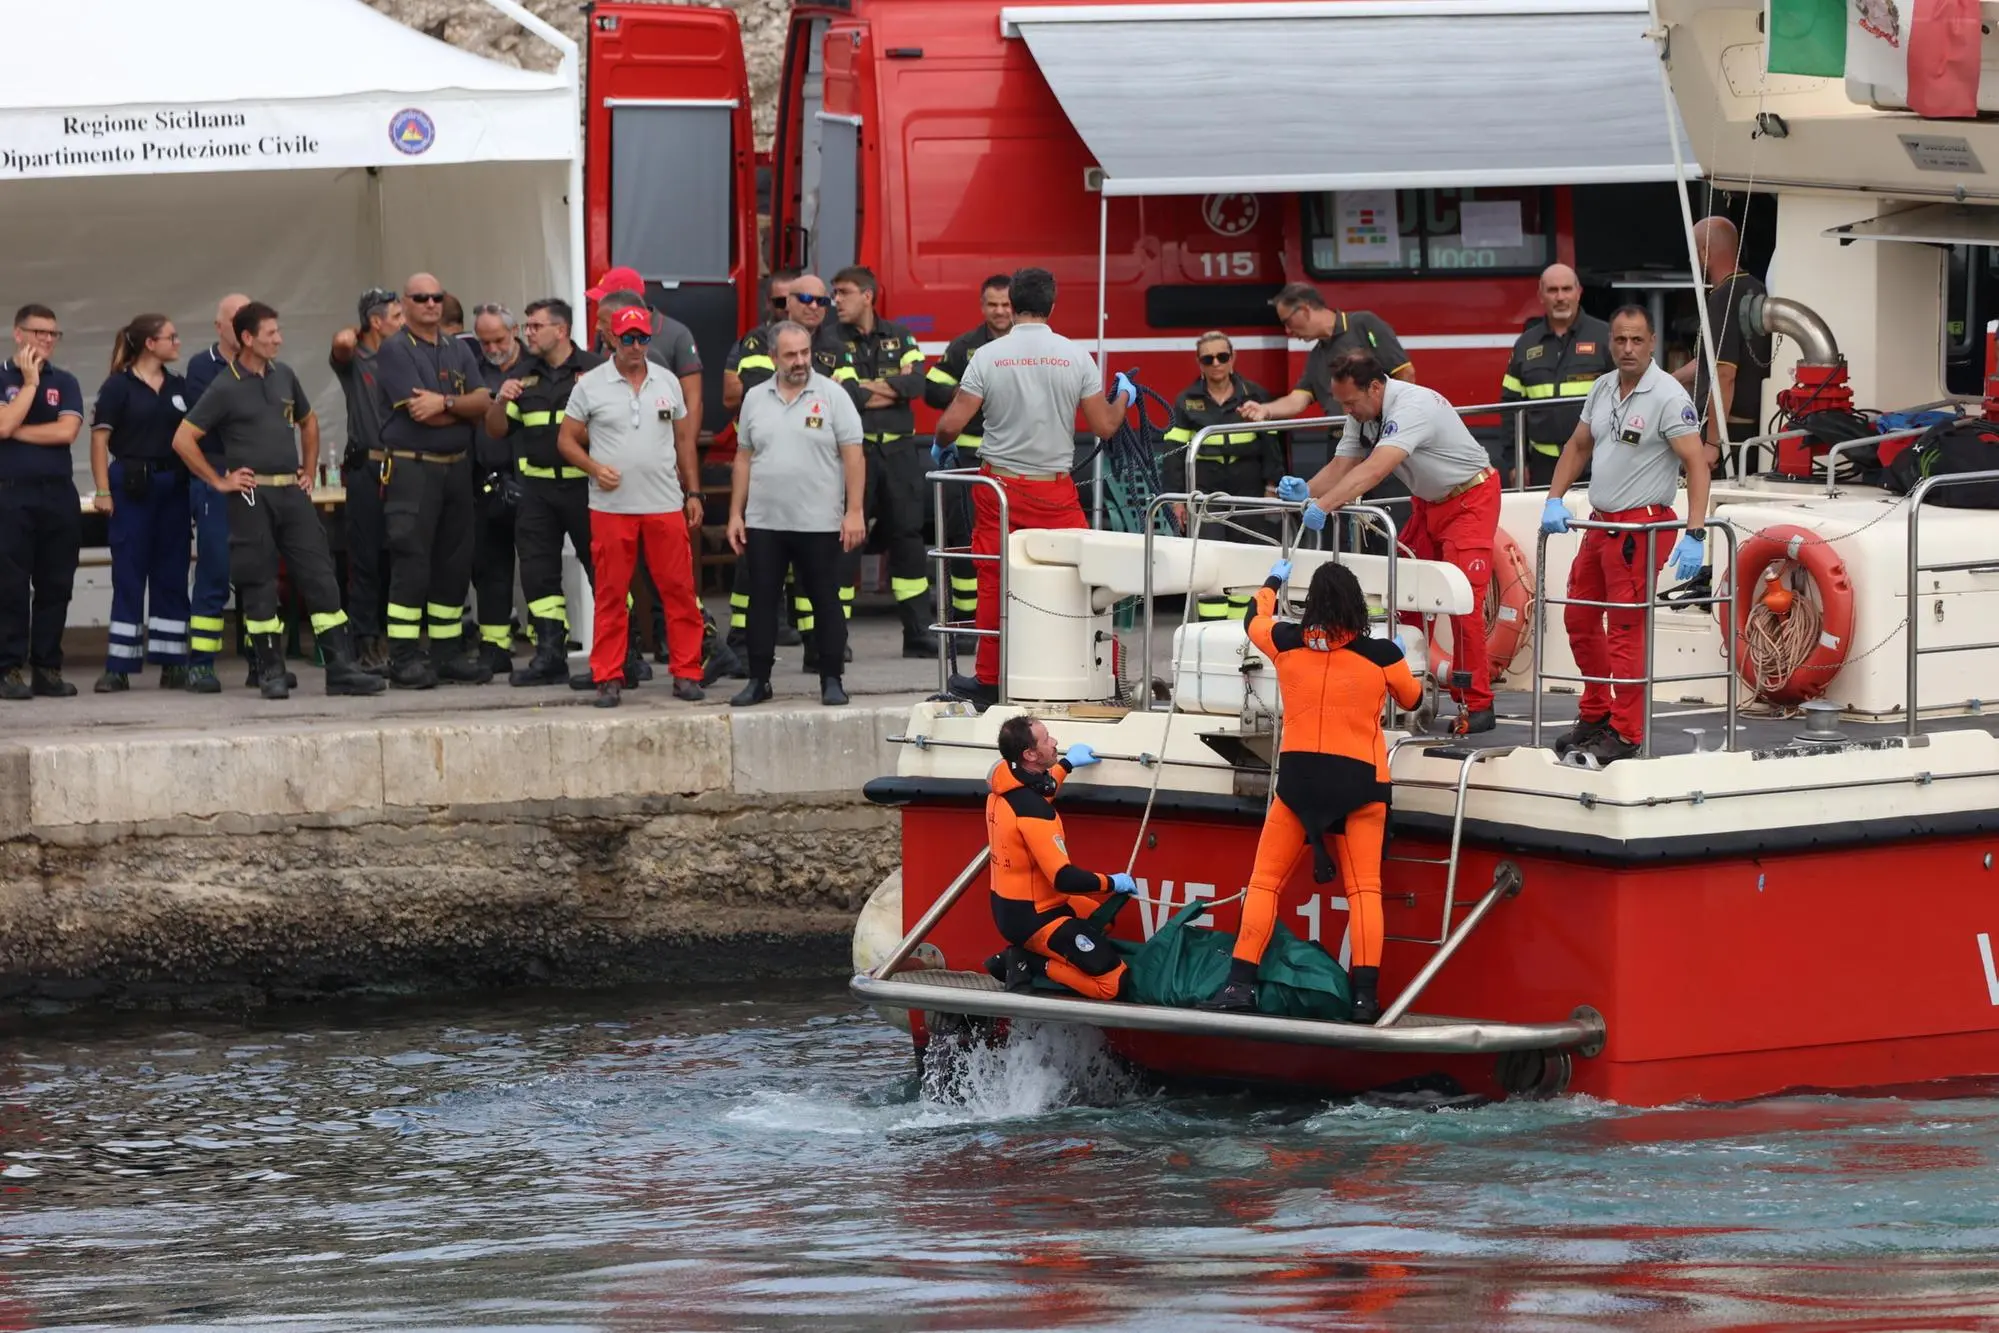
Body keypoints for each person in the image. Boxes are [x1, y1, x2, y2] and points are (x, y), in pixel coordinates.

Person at [1201, 559, 1421, 1022]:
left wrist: (1273, 581)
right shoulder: (1381, 654)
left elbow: (1252, 618)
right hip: (1360, 785)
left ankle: (1239, 984)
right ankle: (1364, 998)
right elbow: (1414, 699)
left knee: (1264, 884)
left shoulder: (1285, 642)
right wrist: (1396, 657)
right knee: (1365, 892)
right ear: (1356, 605)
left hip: (1298, 785)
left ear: (1311, 605)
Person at [934, 267, 1133, 708]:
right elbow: (1104, 425)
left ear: (1014, 303)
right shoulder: (1076, 357)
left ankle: (988, 680)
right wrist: (1123, 398)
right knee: (1085, 575)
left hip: (998, 489)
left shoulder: (987, 356)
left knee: (992, 578)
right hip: (1056, 491)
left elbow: (950, 424)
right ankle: (1095, 671)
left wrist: (940, 445)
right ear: (1052, 305)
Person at [1277, 351, 1501, 735]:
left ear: (1376, 387)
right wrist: (1305, 492)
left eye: (1350, 402)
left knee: (1464, 604)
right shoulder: (1364, 412)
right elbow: (1343, 464)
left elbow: (1377, 468)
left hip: (1469, 502)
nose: (1347, 410)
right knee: (1404, 595)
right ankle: (1406, 689)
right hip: (1429, 503)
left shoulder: (1412, 406)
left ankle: (1478, 705)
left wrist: (1325, 506)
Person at [169, 301, 383, 700]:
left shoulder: (284, 375)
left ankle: (341, 668)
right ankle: (270, 671)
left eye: (278, 333)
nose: (279, 340)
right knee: (258, 580)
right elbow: (183, 439)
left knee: (320, 575)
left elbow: (309, 421)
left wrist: (308, 467)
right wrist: (219, 480)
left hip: (291, 491)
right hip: (251, 496)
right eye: (271, 334)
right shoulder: (225, 385)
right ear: (247, 338)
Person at [1541, 306, 1709, 766]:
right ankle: (1596, 714)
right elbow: (1578, 446)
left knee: (1625, 633)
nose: (1628, 349)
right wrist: (1554, 498)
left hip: (1642, 527)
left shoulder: (1669, 397)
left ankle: (1627, 732)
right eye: (1620, 340)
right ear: (1609, 342)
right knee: (1578, 618)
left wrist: (1694, 531)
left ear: (1652, 342)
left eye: (1637, 340)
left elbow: (1697, 463)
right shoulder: (1602, 388)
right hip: (1600, 524)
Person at [557, 306, 707, 708]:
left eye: (643, 338)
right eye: (628, 339)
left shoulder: (668, 381)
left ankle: (687, 672)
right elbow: (566, 440)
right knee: (611, 594)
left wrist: (693, 493)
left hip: (664, 503)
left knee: (679, 590)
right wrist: (593, 468)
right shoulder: (590, 385)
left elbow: (683, 441)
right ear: (611, 340)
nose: (637, 346)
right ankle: (608, 676)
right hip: (611, 506)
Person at [724, 274, 864, 668]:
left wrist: (853, 510)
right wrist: (736, 513)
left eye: (805, 354)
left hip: (818, 517)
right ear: (774, 357)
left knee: (823, 595)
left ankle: (827, 671)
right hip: (766, 515)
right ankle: (756, 673)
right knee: (761, 596)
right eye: (791, 355)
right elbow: (743, 450)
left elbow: (854, 440)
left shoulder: (834, 374)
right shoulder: (756, 386)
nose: (801, 361)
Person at [371, 272, 495, 689]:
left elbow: (482, 402)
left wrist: (446, 402)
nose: (430, 303)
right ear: (404, 304)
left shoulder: (455, 350)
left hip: (456, 466)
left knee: (453, 562)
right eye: (421, 297)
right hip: (414, 467)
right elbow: (416, 413)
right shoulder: (394, 350)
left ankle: (447, 652)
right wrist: (461, 410)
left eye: (436, 297)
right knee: (412, 561)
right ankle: (403, 657)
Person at [486, 298, 602, 687]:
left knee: (604, 570)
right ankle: (551, 654)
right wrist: (500, 400)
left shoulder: (595, 371)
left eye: (535, 326)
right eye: (527, 325)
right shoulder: (523, 375)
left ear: (561, 330)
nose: (528, 333)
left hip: (585, 487)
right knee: (537, 573)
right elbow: (497, 430)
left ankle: (623, 654)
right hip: (536, 489)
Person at [984, 715, 1138, 1001]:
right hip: (1035, 918)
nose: (1055, 743)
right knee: (1114, 983)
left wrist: (1066, 765)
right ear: (1030, 754)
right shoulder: (1035, 813)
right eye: (1047, 740)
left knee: (1102, 921)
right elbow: (1063, 878)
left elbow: (1043, 789)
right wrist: (1112, 882)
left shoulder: (1005, 787)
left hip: (1021, 905)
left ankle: (1032, 955)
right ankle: (1030, 962)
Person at [831, 264, 936, 657]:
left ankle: (918, 634)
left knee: (908, 540)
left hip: (899, 454)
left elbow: (917, 385)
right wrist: (891, 388)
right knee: (846, 540)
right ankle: (835, 638)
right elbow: (843, 395)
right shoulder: (829, 340)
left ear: (867, 296)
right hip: (854, 454)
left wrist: (868, 388)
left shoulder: (900, 335)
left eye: (843, 292)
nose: (836, 300)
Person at [89, 314, 191, 692]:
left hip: (173, 487)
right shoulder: (119, 387)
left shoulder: (179, 386)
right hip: (131, 486)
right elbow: (99, 440)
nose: (177, 342)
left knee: (172, 572)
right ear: (150, 343)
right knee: (129, 573)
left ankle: (172, 662)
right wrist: (103, 490)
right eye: (171, 337)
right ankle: (119, 665)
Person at [0, 304, 85, 701]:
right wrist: (30, 384)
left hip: (57, 492)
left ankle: (47, 668)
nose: (47, 340)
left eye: (53, 334)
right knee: (11, 584)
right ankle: (9, 668)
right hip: (11, 492)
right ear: (19, 334)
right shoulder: (2, 377)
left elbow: (67, 432)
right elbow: (2, 425)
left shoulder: (65, 381)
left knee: (56, 583)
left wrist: (17, 428)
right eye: (39, 333)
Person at [1160, 331, 1277, 620]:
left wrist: (1272, 485)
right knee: (1209, 560)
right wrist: (1177, 499)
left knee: (1246, 558)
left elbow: (1271, 444)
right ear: (1199, 363)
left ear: (1232, 358)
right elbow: (1175, 453)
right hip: (1206, 491)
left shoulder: (1255, 395)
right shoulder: (1187, 401)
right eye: (1208, 358)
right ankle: (1211, 628)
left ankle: (1241, 631)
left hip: (1247, 488)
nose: (1216, 363)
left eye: (1222, 357)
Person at [923, 274, 1013, 621]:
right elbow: (932, 387)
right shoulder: (965, 346)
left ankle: (1006, 619)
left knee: (1012, 542)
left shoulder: (1024, 347)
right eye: (993, 304)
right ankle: (965, 621)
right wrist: (967, 397)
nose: (1000, 311)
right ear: (982, 306)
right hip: (967, 462)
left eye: (1006, 304)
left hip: (1012, 459)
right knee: (965, 540)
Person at [330, 288, 404, 673]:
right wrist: (353, 332)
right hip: (367, 468)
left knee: (399, 556)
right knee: (365, 559)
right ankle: (365, 639)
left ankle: (395, 638)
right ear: (375, 322)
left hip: (404, 468)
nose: (403, 322)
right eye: (396, 316)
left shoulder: (406, 355)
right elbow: (341, 344)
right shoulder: (357, 358)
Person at [180, 292, 250, 692]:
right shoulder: (201, 367)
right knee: (215, 569)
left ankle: (263, 660)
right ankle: (201, 663)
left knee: (258, 573)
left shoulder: (270, 369)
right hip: (216, 473)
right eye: (235, 319)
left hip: (256, 475)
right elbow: (213, 420)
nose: (243, 327)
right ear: (219, 326)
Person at [1499, 264, 1612, 488]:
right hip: (1544, 466)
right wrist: (1516, 462)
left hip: (1596, 460)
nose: (1560, 297)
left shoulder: (1606, 337)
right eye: (1552, 290)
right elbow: (1511, 408)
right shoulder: (1525, 344)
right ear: (1541, 296)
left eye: (1567, 289)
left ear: (1579, 292)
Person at [1239, 284, 1415, 428]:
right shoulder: (1316, 356)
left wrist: (1392, 423)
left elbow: (1405, 372)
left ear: (1304, 310)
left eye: (1287, 322)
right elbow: (1297, 400)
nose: (1288, 331)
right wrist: (1264, 409)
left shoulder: (1364, 324)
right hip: (1339, 440)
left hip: (1377, 435)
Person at [1680, 216, 1773, 474]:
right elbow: (1710, 361)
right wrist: (1667, 379)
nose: (1691, 260)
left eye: (1693, 251)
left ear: (1704, 252)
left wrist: (1712, 442)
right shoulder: (1756, 287)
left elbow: (1724, 373)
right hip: (1750, 429)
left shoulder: (1722, 298)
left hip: (1728, 431)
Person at [470, 302, 528, 675]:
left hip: (529, 480)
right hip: (485, 481)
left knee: (540, 568)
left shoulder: (535, 367)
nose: (491, 349)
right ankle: (494, 645)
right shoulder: (472, 368)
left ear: (516, 331)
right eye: (484, 341)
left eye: (498, 340)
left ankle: (547, 645)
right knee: (490, 567)